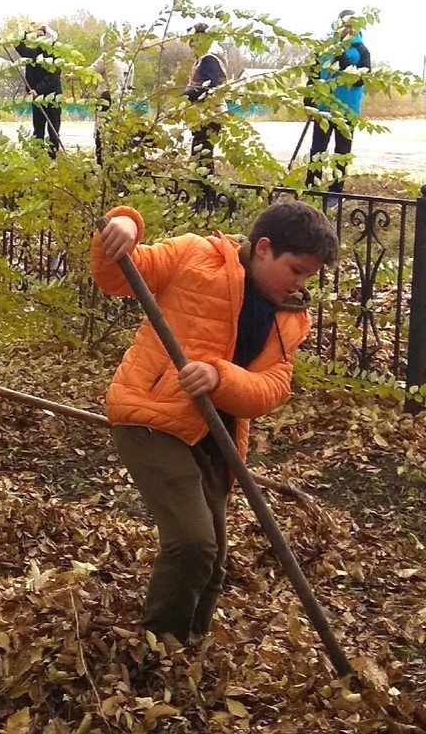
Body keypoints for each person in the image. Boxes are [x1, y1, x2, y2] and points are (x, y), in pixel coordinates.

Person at [90, 200, 338, 645]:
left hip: (216, 435)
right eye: (296, 270)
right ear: (263, 248)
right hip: (151, 416)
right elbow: (117, 274)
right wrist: (125, 222)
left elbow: (272, 388)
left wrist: (220, 377)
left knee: (214, 558)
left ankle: (192, 645)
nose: (300, 284)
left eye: (308, 276)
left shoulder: (289, 319)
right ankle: (158, 649)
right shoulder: (194, 256)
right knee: (192, 543)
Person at [304, 10, 371, 196]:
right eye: (345, 25)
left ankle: (336, 192)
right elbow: (313, 75)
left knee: (342, 152)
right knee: (317, 149)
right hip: (324, 108)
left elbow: (362, 79)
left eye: (352, 26)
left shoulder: (361, 51)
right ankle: (311, 189)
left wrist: (345, 64)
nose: (348, 30)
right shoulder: (326, 49)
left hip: (348, 110)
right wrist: (309, 100)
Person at [183, 23, 228, 178]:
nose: (190, 45)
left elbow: (209, 86)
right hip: (206, 114)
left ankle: (206, 194)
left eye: (192, 40)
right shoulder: (207, 58)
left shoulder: (209, 59)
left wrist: (187, 95)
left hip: (209, 115)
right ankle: (205, 193)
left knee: (202, 155)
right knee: (201, 154)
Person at [15, 23, 63, 156]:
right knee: (38, 130)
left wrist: (38, 90)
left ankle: (52, 157)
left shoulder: (53, 54)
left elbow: (52, 77)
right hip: (36, 97)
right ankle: (38, 158)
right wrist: (25, 33)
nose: (38, 37)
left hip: (52, 97)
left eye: (42, 35)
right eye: (38, 35)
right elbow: (20, 46)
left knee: (53, 129)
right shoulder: (34, 52)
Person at [89, 33, 134, 166]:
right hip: (123, 102)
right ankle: (118, 165)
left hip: (106, 99)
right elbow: (130, 83)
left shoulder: (106, 57)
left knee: (101, 134)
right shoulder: (129, 59)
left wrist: (72, 76)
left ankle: (102, 164)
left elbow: (90, 71)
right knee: (119, 135)